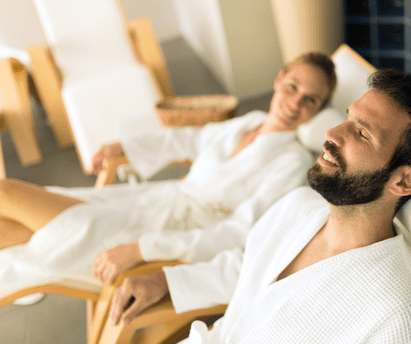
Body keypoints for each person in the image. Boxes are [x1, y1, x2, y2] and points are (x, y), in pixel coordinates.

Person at [7, 68, 411, 344]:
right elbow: (244, 263)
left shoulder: (405, 324)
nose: (332, 135)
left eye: (361, 133)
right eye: (347, 120)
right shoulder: (300, 208)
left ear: (407, 179)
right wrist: (167, 280)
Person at [0, 52, 336, 297]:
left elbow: (241, 233)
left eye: (310, 100)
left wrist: (142, 249)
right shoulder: (250, 122)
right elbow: (190, 138)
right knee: (9, 227)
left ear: (318, 110)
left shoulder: (291, 162)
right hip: (146, 203)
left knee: (7, 193)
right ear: (279, 80)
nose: (295, 103)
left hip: (163, 233)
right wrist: (125, 147)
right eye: (292, 87)